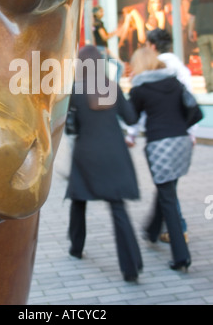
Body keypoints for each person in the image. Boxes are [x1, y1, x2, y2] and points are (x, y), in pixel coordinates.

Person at [65, 45, 143, 282]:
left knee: (79, 198)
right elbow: (131, 118)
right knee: (117, 208)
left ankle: (76, 247)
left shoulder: (75, 91)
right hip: (114, 154)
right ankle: (131, 268)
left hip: (86, 154)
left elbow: (71, 128)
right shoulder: (112, 87)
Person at [129, 47, 192, 272]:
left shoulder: (140, 88)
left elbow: (131, 117)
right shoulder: (174, 81)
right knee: (167, 187)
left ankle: (181, 256)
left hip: (160, 145)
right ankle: (152, 231)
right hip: (183, 142)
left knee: (167, 197)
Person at [188, 0, 213, 94]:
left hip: (202, 33)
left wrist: (190, 31)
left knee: (205, 61)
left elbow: (192, 16)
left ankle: (210, 88)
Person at [92, 5, 124, 81]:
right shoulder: (97, 23)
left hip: (102, 49)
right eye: (101, 11)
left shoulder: (97, 23)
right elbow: (104, 37)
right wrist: (115, 32)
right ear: (96, 13)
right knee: (104, 71)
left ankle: (114, 87)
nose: (103, 13)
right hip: (102, 49)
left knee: (120, 66)